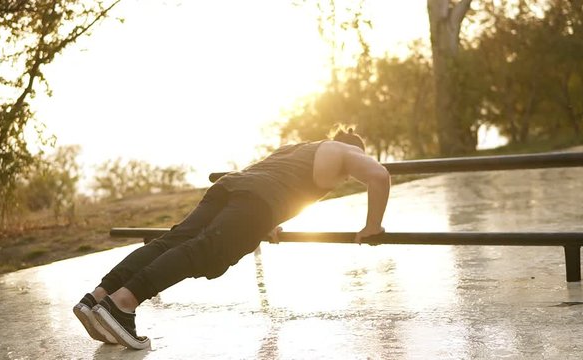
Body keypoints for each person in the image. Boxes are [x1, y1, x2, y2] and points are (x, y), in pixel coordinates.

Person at [73, 125, 391, 349]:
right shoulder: (347, 152)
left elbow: (284, 185)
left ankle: (98, 298)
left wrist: (269, 221)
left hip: (231, 186)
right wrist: (372, 226)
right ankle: (123, 304)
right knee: (205, 251)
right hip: (255, 201)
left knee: (172, 240)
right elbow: (379, 176)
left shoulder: (299, 149)